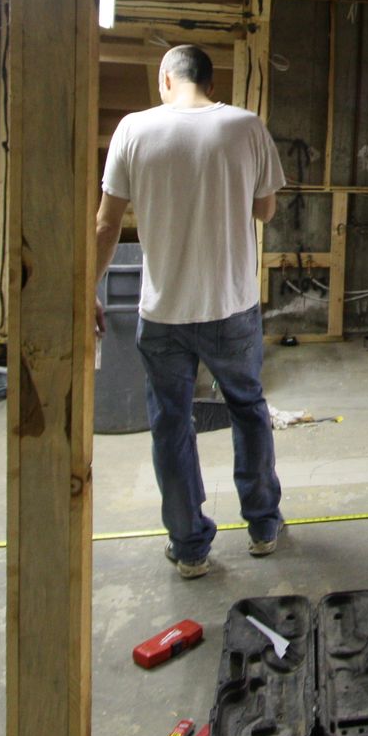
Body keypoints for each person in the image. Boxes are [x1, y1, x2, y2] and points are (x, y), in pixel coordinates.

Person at [94, 44, 287, 579]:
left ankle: (190, 546)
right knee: (248, 408)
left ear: (165, 79)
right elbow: (265, 209)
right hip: (231, 305)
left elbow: (106, 224)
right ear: (210, 80)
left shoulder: (133, 129)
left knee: (171, 423)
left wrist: (90, 286)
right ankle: (262, 526)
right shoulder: (246, 126)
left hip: (164, 313)